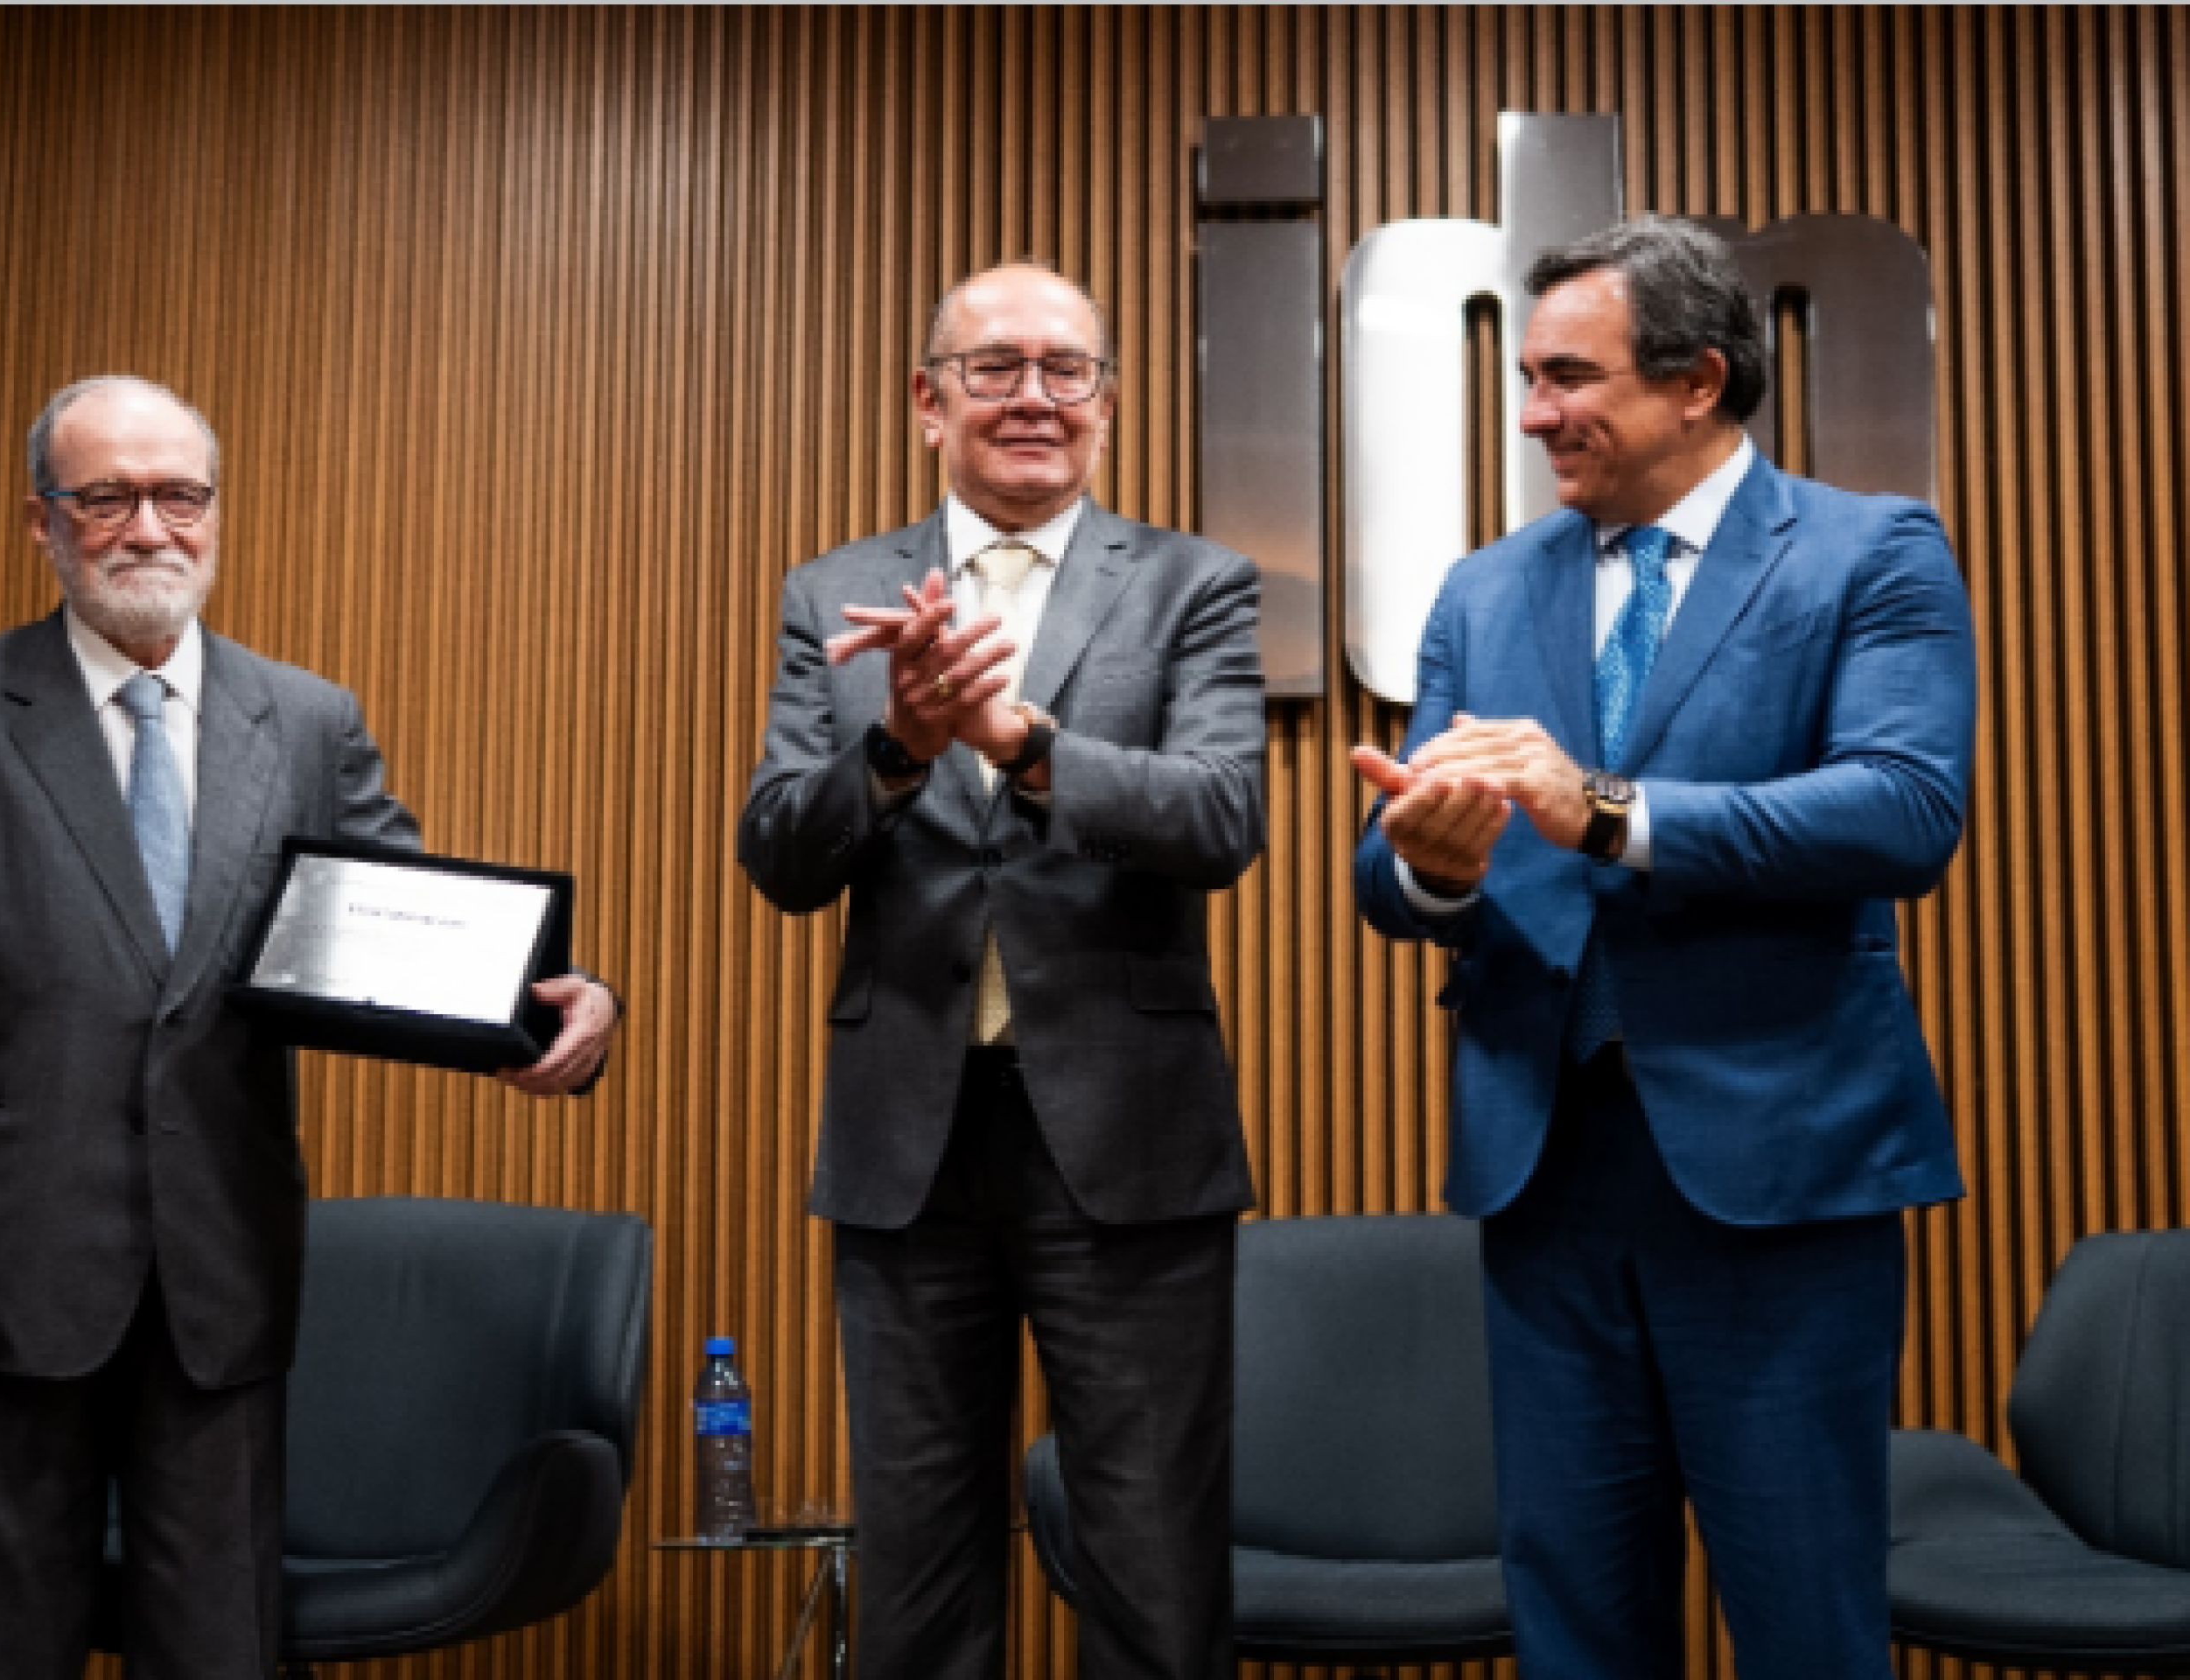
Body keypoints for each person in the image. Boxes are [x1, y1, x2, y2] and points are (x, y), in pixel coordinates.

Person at [0, 374, 619, 1679]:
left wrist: (561, 1008)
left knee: (218, 1643)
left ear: (215, 512)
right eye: (108, 497)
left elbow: (403, 920)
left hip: (221, 1271)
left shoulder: (304, 717)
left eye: (179, 496)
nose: (149, 527)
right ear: (43, 520)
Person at [1352, 217, 1976, 1678]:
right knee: (1572, 1617)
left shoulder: (1869, 550)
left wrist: (1608, 810)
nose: (1531, 413)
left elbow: (1906, 809)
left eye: (1569, 375)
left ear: (1699, 381)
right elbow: (1397, 874)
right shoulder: (1484, 590)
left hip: (1779, 1172)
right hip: (1544, 1172)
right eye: (1528, 375)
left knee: (1807, 1618)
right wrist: (1430, 870)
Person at [738, 262, 1264, 1679]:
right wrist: (899, 747)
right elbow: (781, 855)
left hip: (1132, 1139)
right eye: (995, 367)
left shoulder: (1192, 584)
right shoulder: (835, 593)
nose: (1035, 395)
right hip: (909, 1142)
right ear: (928, 401)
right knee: (917, 1583)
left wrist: (1023, 742)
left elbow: (1222, 817)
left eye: (1068, 369)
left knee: (1152, 1567)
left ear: (1106, 401)